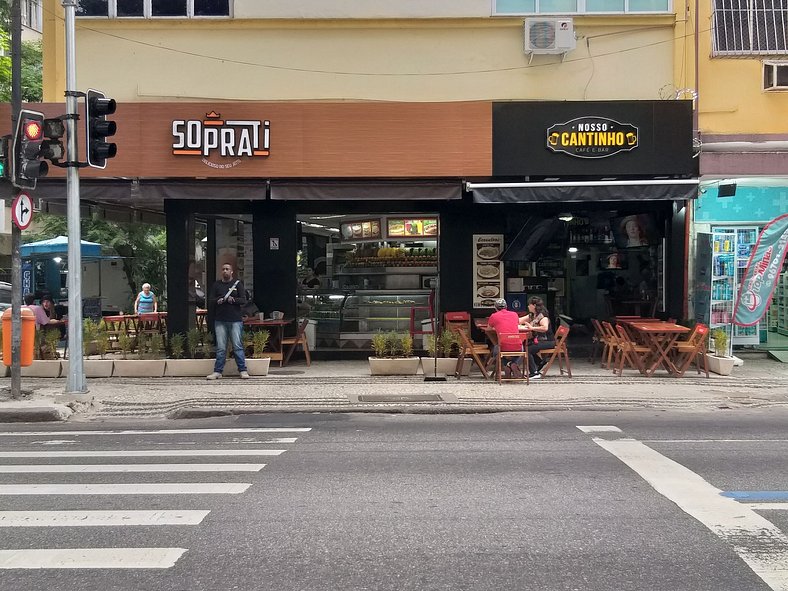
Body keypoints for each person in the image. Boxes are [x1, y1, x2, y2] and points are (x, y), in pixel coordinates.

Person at [207, 263, 249, 380]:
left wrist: (233, 300)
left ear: (231, 272)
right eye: (223, 269)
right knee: (221, 347)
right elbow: (210, 300)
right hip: (220, 319)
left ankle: (243, 370)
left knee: (237, 345)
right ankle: (217, 371)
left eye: (227, 269)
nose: (225, 271)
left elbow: (243, 300)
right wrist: (218, 300)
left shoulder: (238, 284)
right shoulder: (216, 285)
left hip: (235, 319)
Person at [518, 296, 555, 379]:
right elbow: (519, 320)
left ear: (534, 305)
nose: (528, 306)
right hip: (538, 340)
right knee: (526, 346)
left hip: (547, 341)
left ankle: (534, 372)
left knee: (528, 349)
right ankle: (540, 362)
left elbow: (544, 328)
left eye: (529, 304)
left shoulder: (543, 316)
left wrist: (532, 328)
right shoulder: (532, 315)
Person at [486, 298, 524, 378]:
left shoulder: (494, 316)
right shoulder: (514, 314)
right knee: (522, 348)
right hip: (518, 346)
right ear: (506, 306)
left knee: (496, 350)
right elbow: (516, 324)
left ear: (495, 308)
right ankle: (514, 364)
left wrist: (496, 327)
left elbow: (488, 329)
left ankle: (506, 365)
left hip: (503, 346)